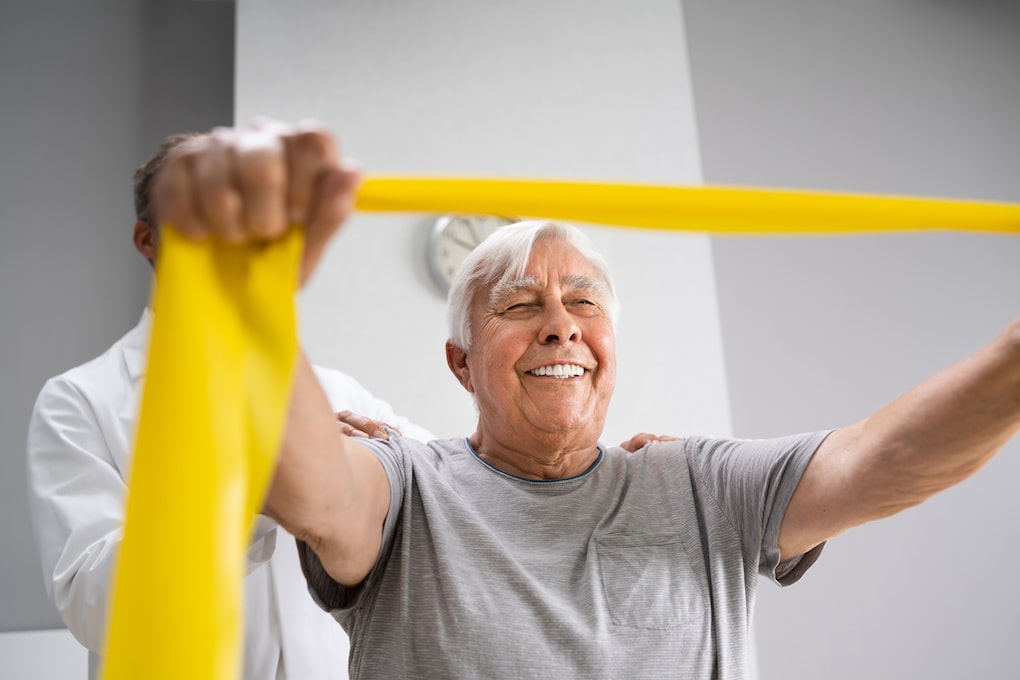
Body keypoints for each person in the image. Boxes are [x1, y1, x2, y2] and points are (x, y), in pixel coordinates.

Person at [152, 122, 1020, 679]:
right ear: (460, 363)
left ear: (610, 347)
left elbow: (884, 459)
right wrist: (247, 298)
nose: (561, 327)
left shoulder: (701, 483)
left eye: (584, 304)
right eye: (521, 306)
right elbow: (308, 487)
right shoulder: (409, 484)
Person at [25, 131, 436, 680]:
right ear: (148, 239)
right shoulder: (79, 401)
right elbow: (96, 607)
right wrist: (255, 491)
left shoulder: (337, 394)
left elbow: (446, 497)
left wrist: (376, 464)